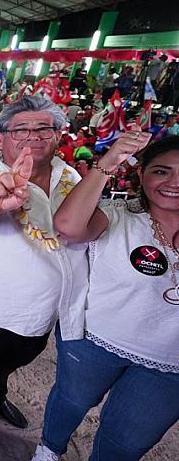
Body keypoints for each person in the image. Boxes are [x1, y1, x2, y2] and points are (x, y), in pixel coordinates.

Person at [0, 96, 88, 457]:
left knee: (18, 358)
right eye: (20, 129)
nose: (32, 136)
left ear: (57, 136)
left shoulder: (69, 176)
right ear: (2, 139)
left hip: (44, 309)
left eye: (43, 128)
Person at [31, 132, 179, 461]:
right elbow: (67, 226)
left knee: (126, 442)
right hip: (95, 341)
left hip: (170, 365)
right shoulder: (116, 216)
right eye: (161, 171)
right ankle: (49, 449)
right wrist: (109, 161)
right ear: (141, 174)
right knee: (71, 400)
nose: (173, 182)